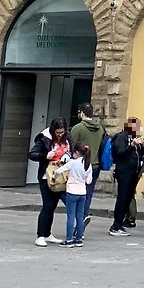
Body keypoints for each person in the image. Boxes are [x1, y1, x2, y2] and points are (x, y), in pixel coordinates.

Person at [29, 117, 70, 247]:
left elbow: (73, 150)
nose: (60, 135)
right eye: (58, 132)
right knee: (47, 205)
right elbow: (32, 154)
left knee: (52, 206)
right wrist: (45, 156)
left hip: (61, 175)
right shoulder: (44, 139)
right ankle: (40, 235)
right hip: (46, 176)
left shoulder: (68, 138)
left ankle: (47, 233)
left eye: (62, 132)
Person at [108, 118, 144, 237]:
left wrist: (143, 147)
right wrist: (131, 146)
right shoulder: (122, 137)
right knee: (122, 198)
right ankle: (115, 225)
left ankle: (120, 224)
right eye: (138, 126)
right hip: (124, 172)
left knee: (128, 198)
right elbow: (120, 154)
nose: (140, 129)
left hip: (133, 172)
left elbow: (138, 155)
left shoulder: (134, 138)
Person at [69, 103, 105, 226]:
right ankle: (84, 215)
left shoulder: (78, 128)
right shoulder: (100, 128)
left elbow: (71, 147)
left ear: (82, 113)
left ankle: (79, 219)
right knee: (87, 194)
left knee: (73, 193)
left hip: (80, 165)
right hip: (95, 165)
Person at [56, 144, 93, 249]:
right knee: (80, 216)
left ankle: (69, 240)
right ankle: (79, 239)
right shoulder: (88, 164)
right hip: (82, 193)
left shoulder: (73, 163)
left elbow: (59, 171)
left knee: (70, 216)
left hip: (72, 191)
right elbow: (89, 181)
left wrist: (54, 178)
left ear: (76, 152)